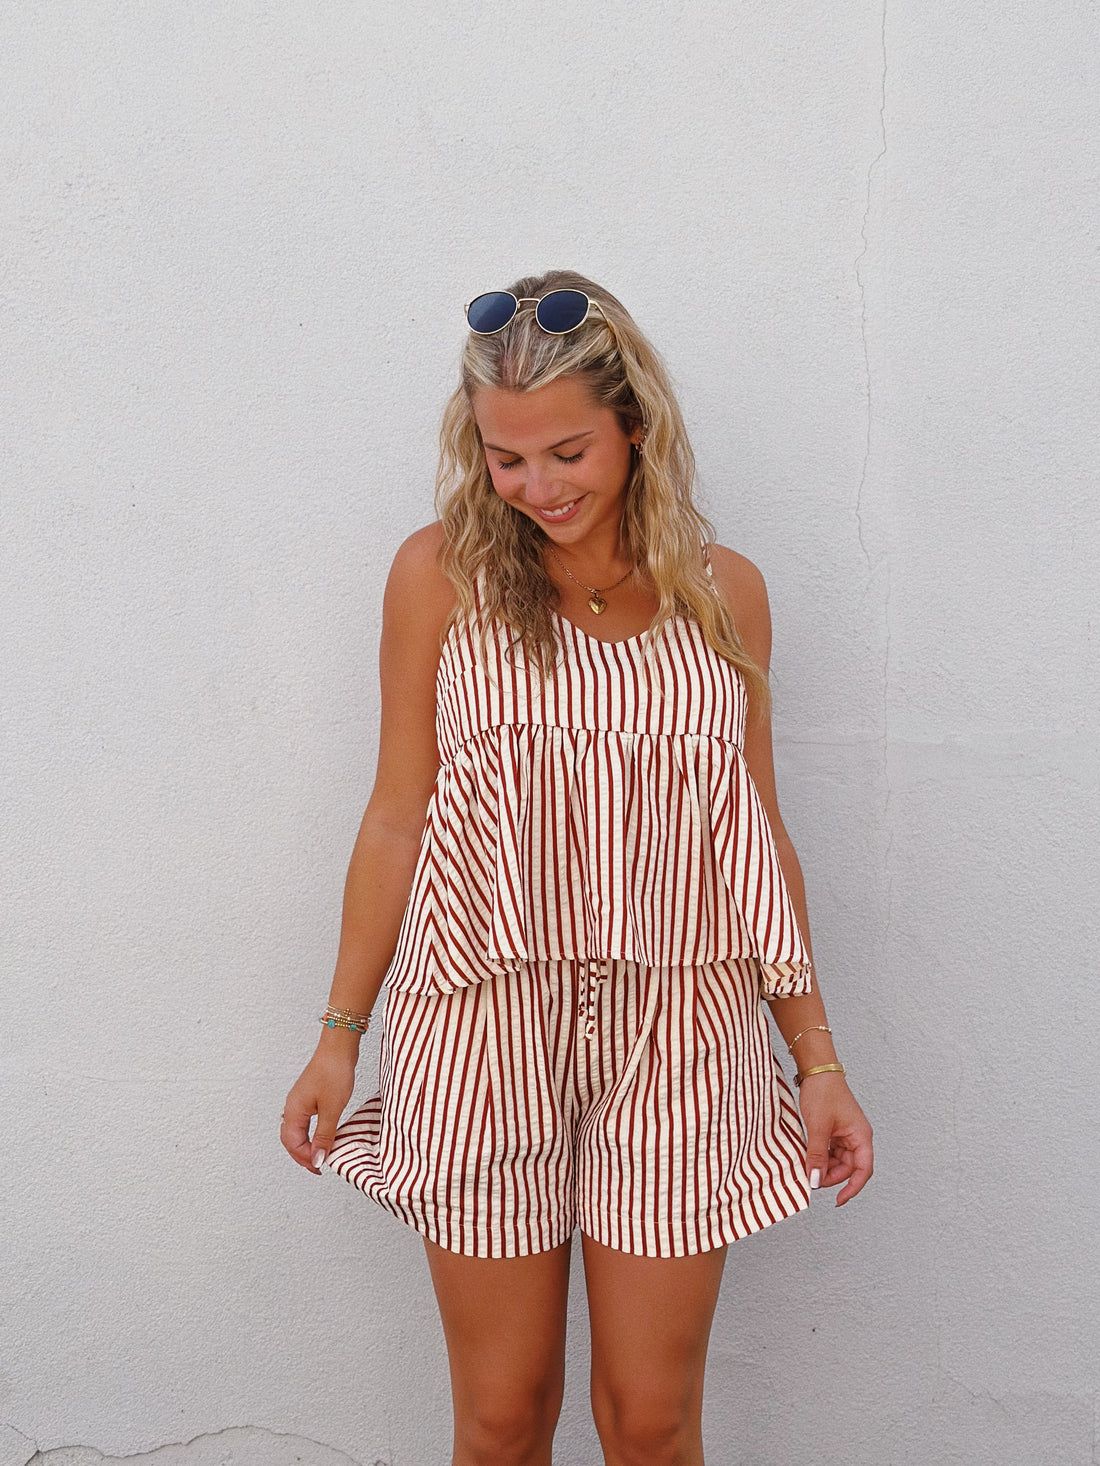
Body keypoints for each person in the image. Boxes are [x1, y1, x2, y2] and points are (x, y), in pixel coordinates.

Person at [280, 270, 874, 1466]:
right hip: (481, 1022)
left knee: (648, 1420)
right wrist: (339, 1030)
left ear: (632, 425)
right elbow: (396, 815)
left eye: (566, 452)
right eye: (505, 458)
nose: (537, 486)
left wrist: (815, 1056)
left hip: (680, 1027)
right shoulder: (438, 576)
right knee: (502, 1416)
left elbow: (755, 837)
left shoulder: (723, 595)